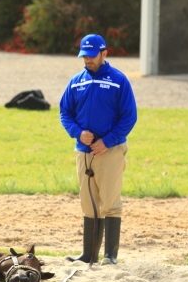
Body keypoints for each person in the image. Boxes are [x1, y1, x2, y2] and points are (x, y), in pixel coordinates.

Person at [59, 33, 137, 264]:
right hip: (83, 152)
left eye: (92, 56)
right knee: (88, 202)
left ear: (104, 53)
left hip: (110, 151)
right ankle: (89, 254)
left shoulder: (119, 80)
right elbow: (65, 112)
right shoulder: (76, 81)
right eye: (84, 55)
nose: (87, 60)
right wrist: (77, 132)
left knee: (110, 202)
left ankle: (110, 256)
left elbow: (129, 117)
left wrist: (108, 141)